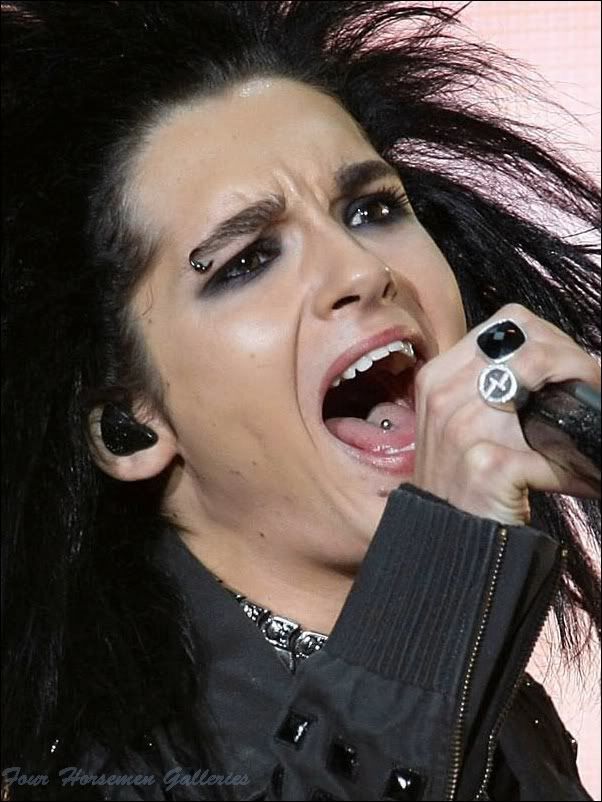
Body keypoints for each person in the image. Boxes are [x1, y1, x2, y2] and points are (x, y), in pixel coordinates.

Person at [2, 2, 600, 800]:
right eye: (248, 260)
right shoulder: (105, 771)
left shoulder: (496, 714)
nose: (360, 269)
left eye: (373, 210)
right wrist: (445, 572)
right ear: (129, 425)